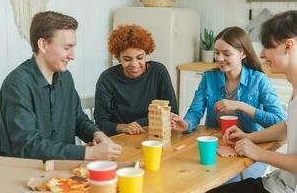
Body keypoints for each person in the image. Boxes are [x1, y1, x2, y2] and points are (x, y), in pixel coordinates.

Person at [0, 11, 122, 161]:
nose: (72, 55)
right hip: (23, 174)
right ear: (43, 45)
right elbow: (27, 146)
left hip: (62, 173)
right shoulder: (16, 85)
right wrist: (88, 153)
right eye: (66, 48)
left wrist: (97, 134)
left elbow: (78, 119)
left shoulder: (66, 78)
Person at [171, 26, 286, 182]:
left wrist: (241, 106)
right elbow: (195, 112)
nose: (219, 58)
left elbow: (280, 121)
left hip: (250, 147)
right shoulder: (209, 77)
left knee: (228, 182)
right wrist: (186, 123)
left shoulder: (259, 80)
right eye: (217, 53)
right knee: (189, 175)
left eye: (227, 53)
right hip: (217, 146)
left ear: (243, 53)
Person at [207, 10, 297, 193]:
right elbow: (288, 127)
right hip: (279, 182)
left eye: (267, 46)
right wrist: (249, 137)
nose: (262, 53)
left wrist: (258, 153)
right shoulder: (294, 87)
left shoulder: (260, 79)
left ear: (288, 46)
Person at [94, 24, 178, 136]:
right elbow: (101, 123)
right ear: (118, 57)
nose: (134, 64)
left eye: (140, 57)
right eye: (127, 59)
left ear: (146, 54)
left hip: (154, 136)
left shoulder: (158, 71)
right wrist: (122, 127)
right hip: (121, 140)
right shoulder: (107, 79)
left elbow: (172, 112)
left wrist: (138, 124)